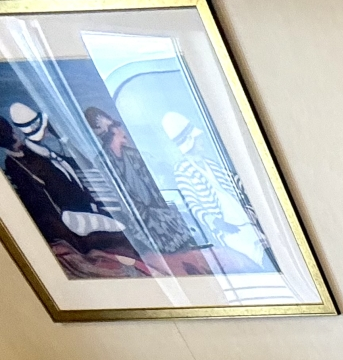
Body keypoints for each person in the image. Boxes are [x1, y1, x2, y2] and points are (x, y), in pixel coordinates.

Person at [0, 113, 148, 279]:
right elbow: (42, 203)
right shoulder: (18, 164)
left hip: (82, 211)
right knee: (120, 239)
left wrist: (63, 139)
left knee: (124, 239)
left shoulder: (34, 154)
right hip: (70, 221)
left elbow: (80, 164)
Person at [83, 105, 201, 259]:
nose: (123, 131)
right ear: (112, 131)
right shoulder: (102, 164)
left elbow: (157, 187)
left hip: (162, 217)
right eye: (117, 127)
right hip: (138, 226)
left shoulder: (136, 155)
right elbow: (117, 202)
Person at [162, 111, 274, 270]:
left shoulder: (212, 164)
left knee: (268, 246)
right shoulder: (183, 170)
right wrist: (216, 222)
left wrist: (252, 203)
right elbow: (193, 205)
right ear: (190, 141)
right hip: (227, 227)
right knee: (258, 254)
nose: (202, 142)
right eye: (197, 139)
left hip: (244, 218)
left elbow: (237, 183)